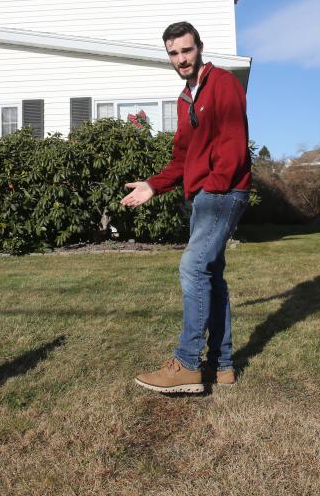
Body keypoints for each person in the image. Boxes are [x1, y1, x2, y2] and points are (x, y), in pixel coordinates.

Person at [121, 21, 251, 393]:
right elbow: (183, 158)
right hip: (204, 196)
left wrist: (214, 186)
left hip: (221, 194)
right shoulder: (185, 99)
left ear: (200, 48)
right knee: (212, 277)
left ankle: (189, 364)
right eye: (174, 53)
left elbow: (233, 144)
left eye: (186, 50)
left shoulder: (222, 83)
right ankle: (222, 365)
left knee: (192, 268)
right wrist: (153, 185)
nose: (181, 58)